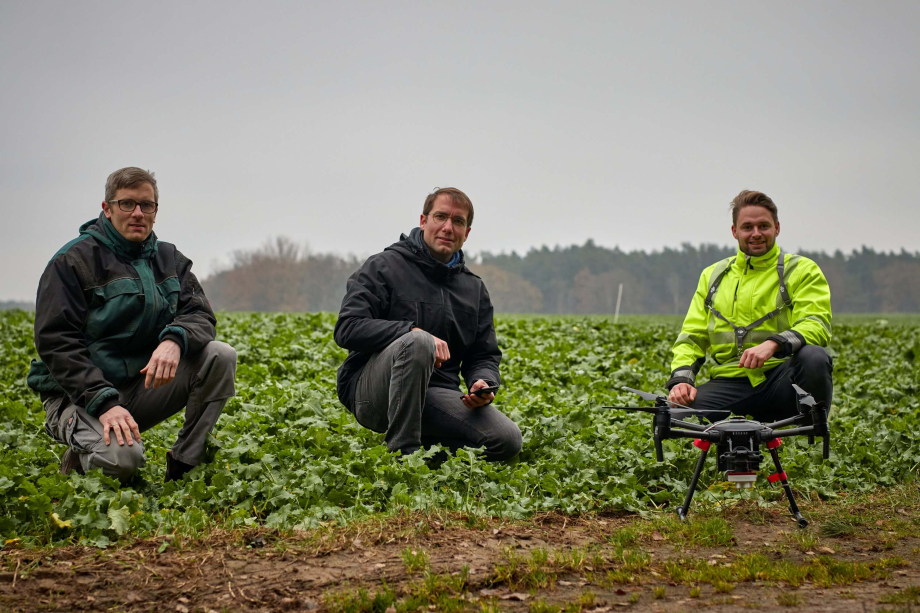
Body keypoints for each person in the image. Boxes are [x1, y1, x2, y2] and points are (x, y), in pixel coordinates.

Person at [28, 167, 236, 483]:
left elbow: (200, 315)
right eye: (127, 204)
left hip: (137, 387)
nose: (138, 213)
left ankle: (184, 466)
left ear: (155, 211)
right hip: (76, 397)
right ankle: (82, 457)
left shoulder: (169, 259)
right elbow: (57, 342)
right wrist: (104, 402)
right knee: (123, 461)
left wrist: (174, 341)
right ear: (107, 209)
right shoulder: (72, 262)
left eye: (146, 205)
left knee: (219, 356)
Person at [334, 187, 522, 461]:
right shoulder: (384, 267)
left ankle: (431, 457)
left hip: (435, 394)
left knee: (506, 440)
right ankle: (404, 456)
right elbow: (348, 328)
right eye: (440, 217)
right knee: (418, 341)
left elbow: (483, 355)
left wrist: (483, 381)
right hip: (374, 394)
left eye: (458, 221)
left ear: (466, 233)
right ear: (423, 221)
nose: (448, 227)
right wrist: (409, 331)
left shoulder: (474, 288)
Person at [666, 190, 833, 422]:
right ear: (735, 231)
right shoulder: (713, 276)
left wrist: (774, 344)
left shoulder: (802, 270)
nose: (756, 234)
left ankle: (808, 426)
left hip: (782, 381)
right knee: (671, 416)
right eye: (747, 227)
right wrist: (682, 381)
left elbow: (816, 323)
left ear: (777, 227)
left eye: (763, 226)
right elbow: (691, 337)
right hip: (730, 382)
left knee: (814, 356)